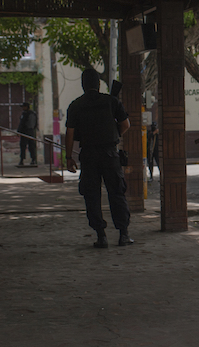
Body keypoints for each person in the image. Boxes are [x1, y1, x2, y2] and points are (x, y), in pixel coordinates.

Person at [65, 68, 134, 248]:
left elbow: (70, 133)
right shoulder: (111, 101)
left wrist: (68, 157)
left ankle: (101, 236)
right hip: (110, 154)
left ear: (83, 85)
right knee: (117, 193)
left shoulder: (75, 105)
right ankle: (123, 235)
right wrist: (112, 134)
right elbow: (126, 124)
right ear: (98, 84)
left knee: (92, 196)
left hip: (88, 156)